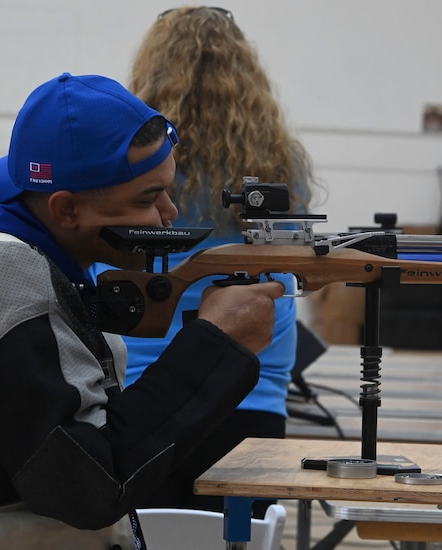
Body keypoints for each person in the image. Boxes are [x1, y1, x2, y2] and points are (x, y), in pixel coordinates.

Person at [0, 72, 283, 549]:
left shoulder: (22, 246)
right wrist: (216, 343)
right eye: (147, 197)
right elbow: (86, 486)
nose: (168, 212)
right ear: (64, 210)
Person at [89, 5, 320, 513]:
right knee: (242, 536)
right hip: (253, 378)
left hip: (142, 381)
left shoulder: (131, 152)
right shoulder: (282, 158)